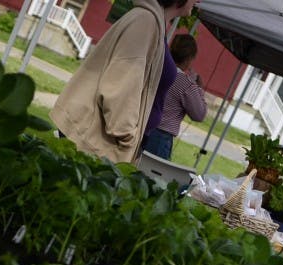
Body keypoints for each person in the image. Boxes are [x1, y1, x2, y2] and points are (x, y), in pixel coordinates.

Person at [50, 0, 199, 165]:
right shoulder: (145, 22)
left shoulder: (154, 23)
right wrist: (127, 136)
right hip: (97, 142)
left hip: (103, 142)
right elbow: (120, 86)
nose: (199, 1)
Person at [141, 34, 207, 159]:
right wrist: (200, 90)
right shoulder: (187, 84)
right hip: (160, 137)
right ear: (189, 59)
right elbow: (199, 115)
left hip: (141, 124)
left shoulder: (157, 67)